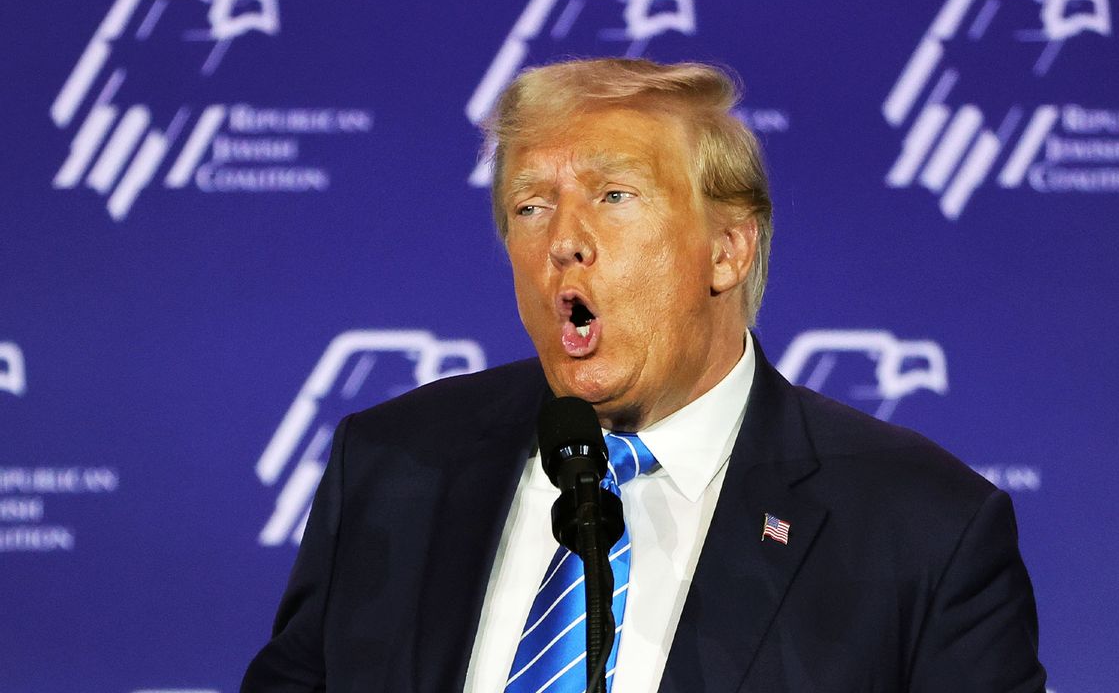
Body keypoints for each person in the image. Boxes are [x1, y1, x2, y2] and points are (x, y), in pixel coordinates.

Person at [242, 58, 1046, 692]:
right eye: (529, 206)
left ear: (728, 250)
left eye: (614, 195)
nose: (564, 240)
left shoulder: (924, 532)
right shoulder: (393, 467)